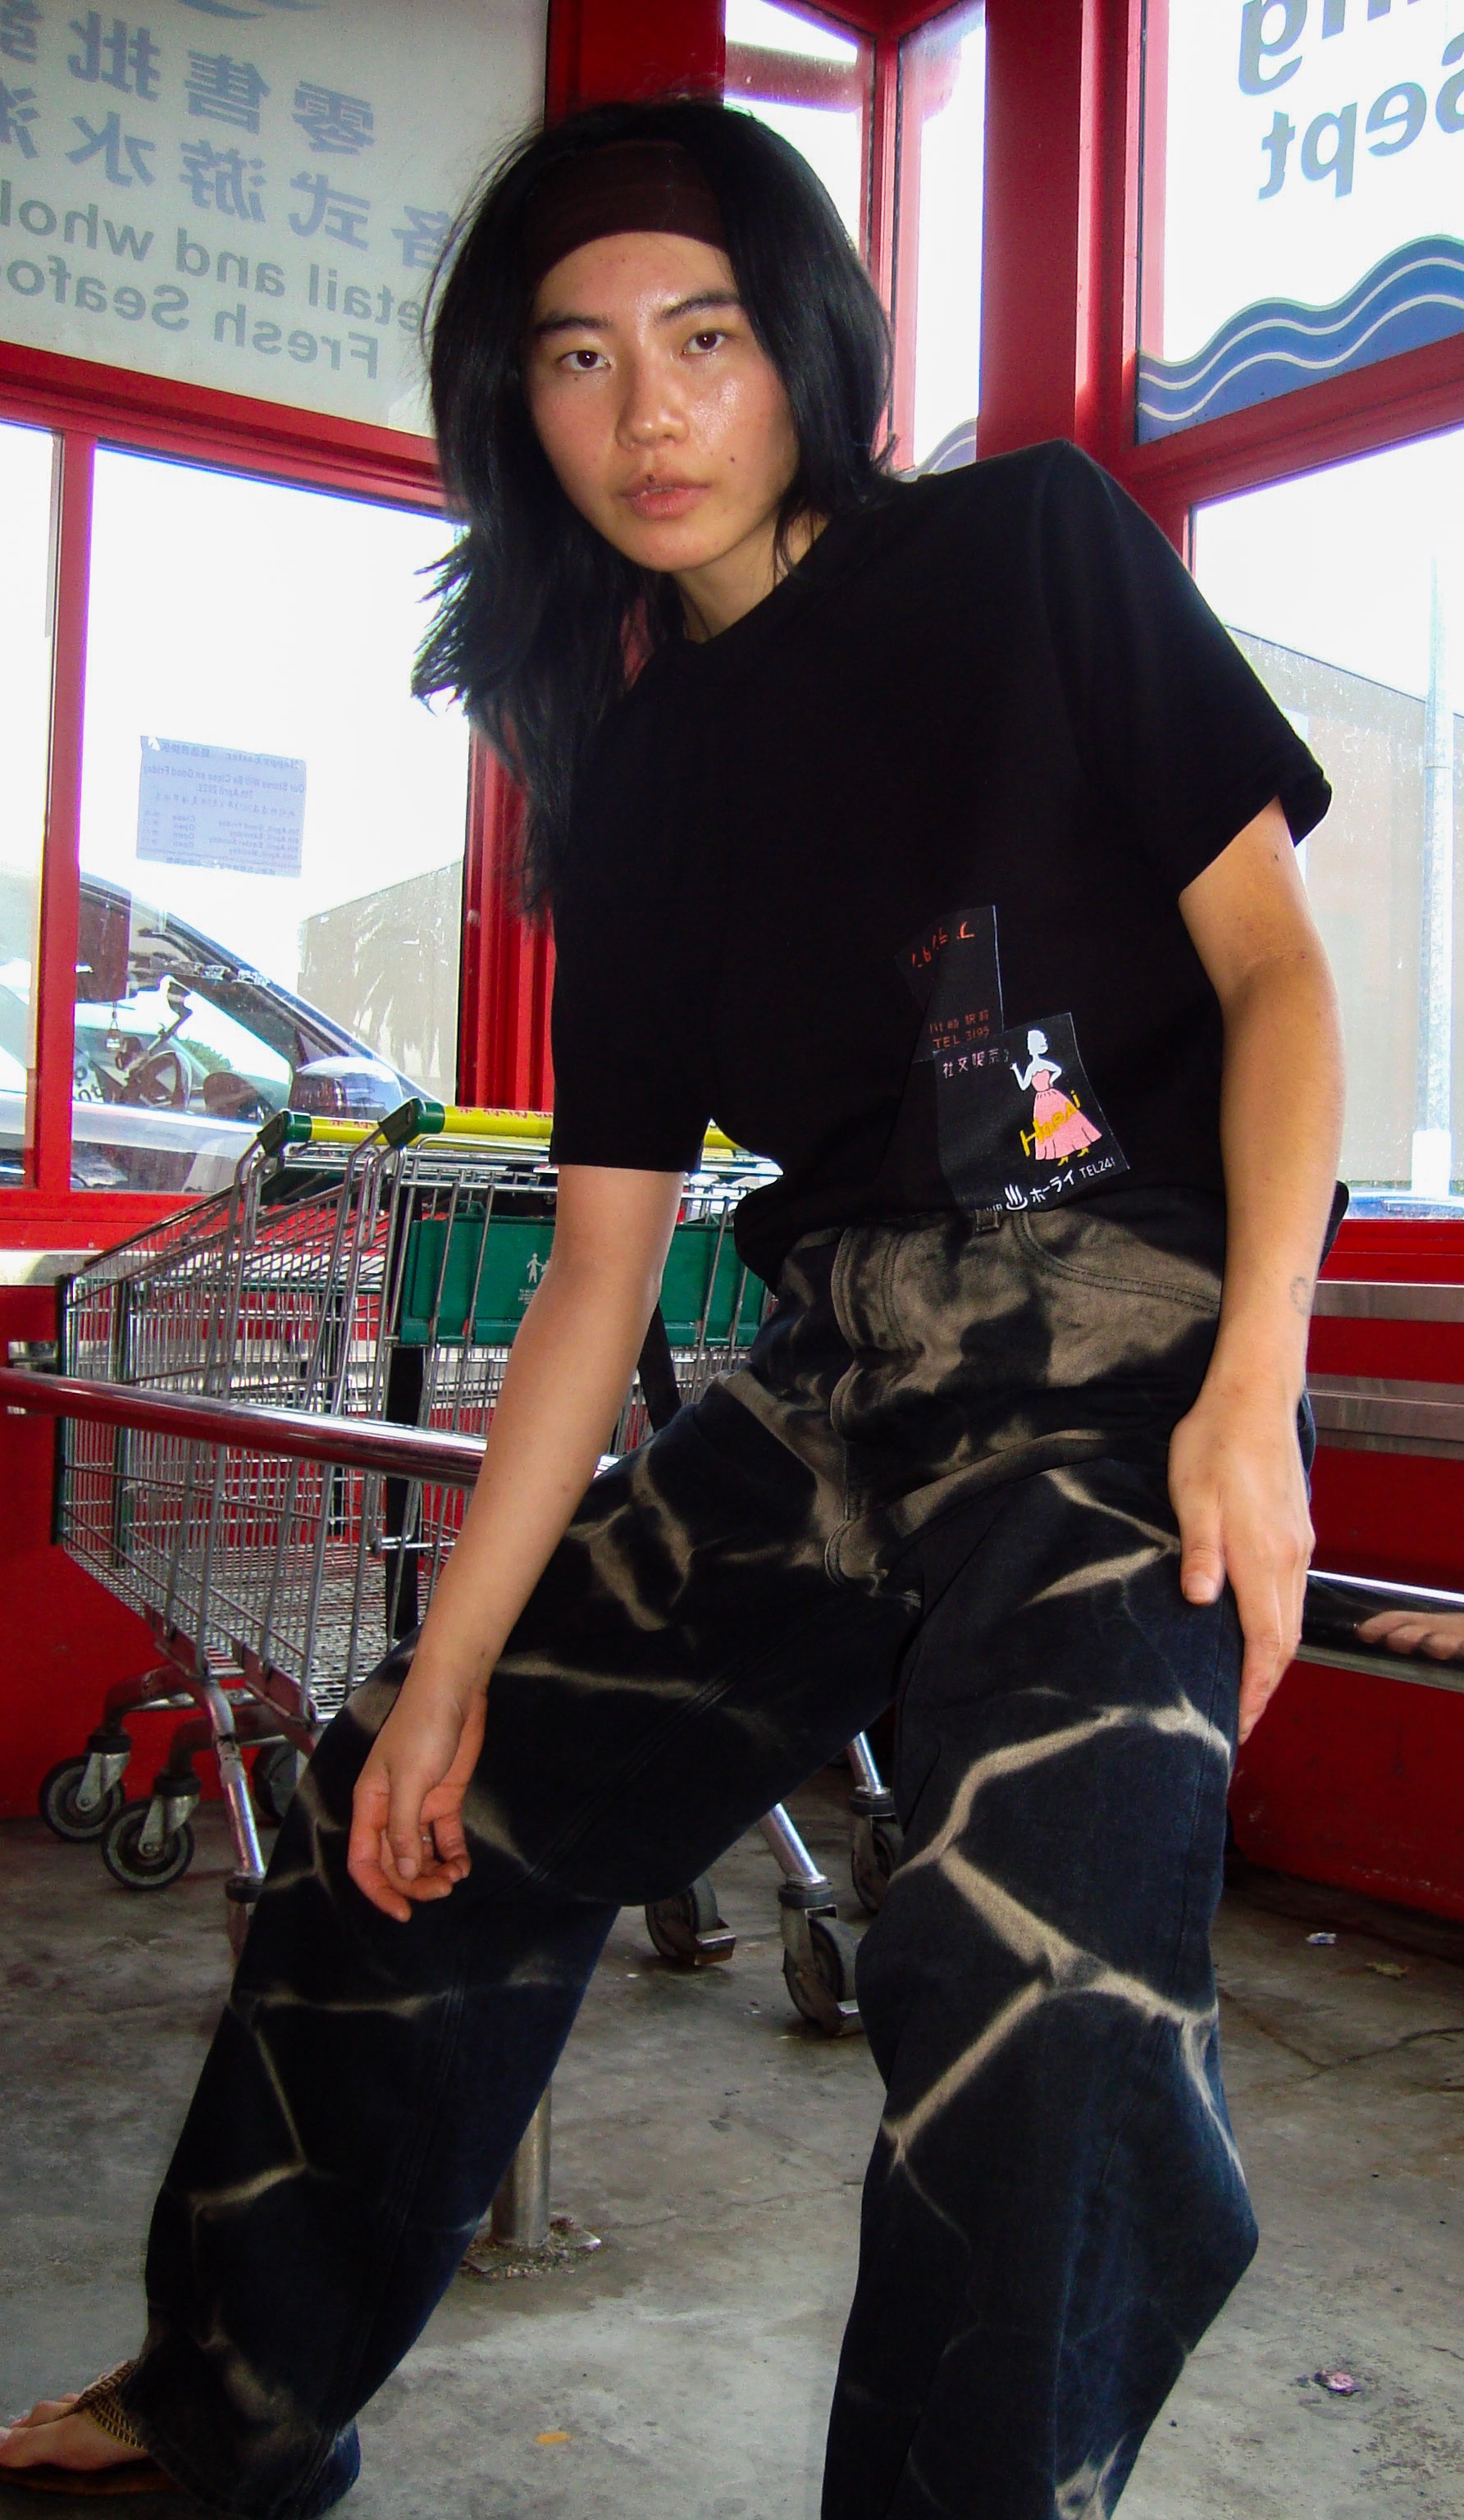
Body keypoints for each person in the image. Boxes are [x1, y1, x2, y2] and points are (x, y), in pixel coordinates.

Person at [0, 95, 1343, 2520]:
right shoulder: (620, 783)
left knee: (1040, 1984)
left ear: (801, 347)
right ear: (517, 410)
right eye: (580, 359)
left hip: (1122, 1355)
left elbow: (1276, 980)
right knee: (402, 1820)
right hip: (833, 1376)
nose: (652, 415)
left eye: (705, 339)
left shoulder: (1038, 548)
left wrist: (1259, 1381)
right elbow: (606, 1270)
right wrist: (443, 1674)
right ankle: (224, 2407)